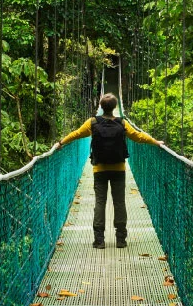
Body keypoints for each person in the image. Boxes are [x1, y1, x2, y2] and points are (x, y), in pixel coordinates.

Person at [55, 93, 163, 249]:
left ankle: (99, 240)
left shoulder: (92, 122)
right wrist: (155, 142)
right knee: (119, 202)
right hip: (118, 168)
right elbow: (138, 136)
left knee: (100, 202)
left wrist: (61, 143)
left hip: (99, 168)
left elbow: (76, 134)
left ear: (100, 106)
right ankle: (121, 239)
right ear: (115, 108)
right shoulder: (122, 123)